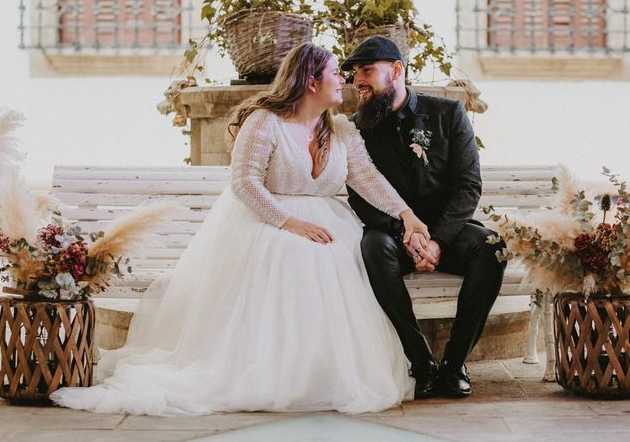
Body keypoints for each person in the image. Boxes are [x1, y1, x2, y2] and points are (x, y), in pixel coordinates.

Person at [50, 42, 430, 415]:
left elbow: (367, 177)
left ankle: (326, 372)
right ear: (311, 82)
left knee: (344, 256)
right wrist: (289, 223)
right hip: (270, 218)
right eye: (334, 73)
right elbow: (245, 182)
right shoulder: (266, 122)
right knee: (295, 256)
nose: (343, 81)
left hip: (329, 223)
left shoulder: (343, 130)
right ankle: (274, 373)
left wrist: (406, 214)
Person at [341, 36, 507, 398]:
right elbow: (360, 196)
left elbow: (468, 187)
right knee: (372, 247)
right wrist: (406, 233)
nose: (358, 82)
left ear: (396, 70)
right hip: (393, 235)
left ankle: (453, 365)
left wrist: (437, 240)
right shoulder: (356, 128)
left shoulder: (448, 114)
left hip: (448, 232)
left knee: (492, 247)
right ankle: (420, 363)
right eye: (354, 74)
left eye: (366, 70)